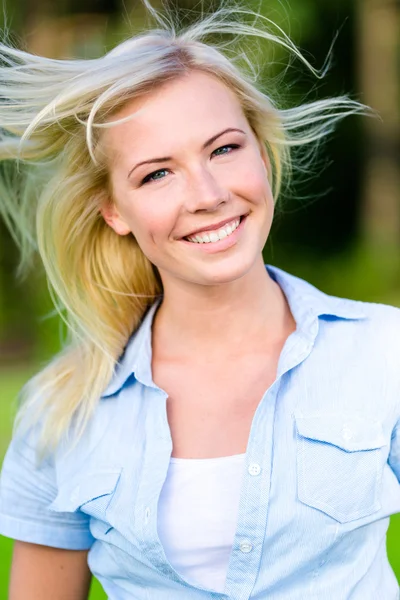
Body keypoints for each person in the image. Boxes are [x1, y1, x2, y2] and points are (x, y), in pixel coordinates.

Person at [0, 2, 399, 599]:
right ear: (114, 211)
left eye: (224, 149)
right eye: (157, 174)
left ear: (262, 156)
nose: (208, 195)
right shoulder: (61, 414)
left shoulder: (383, 352)